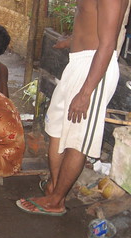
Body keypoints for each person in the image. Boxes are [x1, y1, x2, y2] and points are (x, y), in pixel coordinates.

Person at [16, 0, 128, 216]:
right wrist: (72, 40)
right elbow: (89, 20)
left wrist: (86, 93)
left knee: (77, 139)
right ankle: (54, 189)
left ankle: (56, 201)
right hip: (78, 63)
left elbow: (107, 44)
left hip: (94, 69)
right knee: (56, 128)